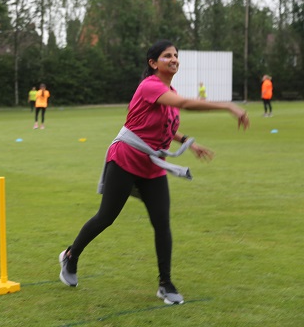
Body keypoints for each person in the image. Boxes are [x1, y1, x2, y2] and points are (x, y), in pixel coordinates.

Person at [58, 40, 249, 305]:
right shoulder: (150, 86)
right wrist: (228, 106)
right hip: (126, 158)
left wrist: (189, 143)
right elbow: (185, 103)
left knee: (162, 223)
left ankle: (165, 283)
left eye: (176, 55)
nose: (174, 59)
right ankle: (71, 256)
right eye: (167, 55)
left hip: (152, 164)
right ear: (153, 63)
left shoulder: (169, 90)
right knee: (106, 217)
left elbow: (166, 127)